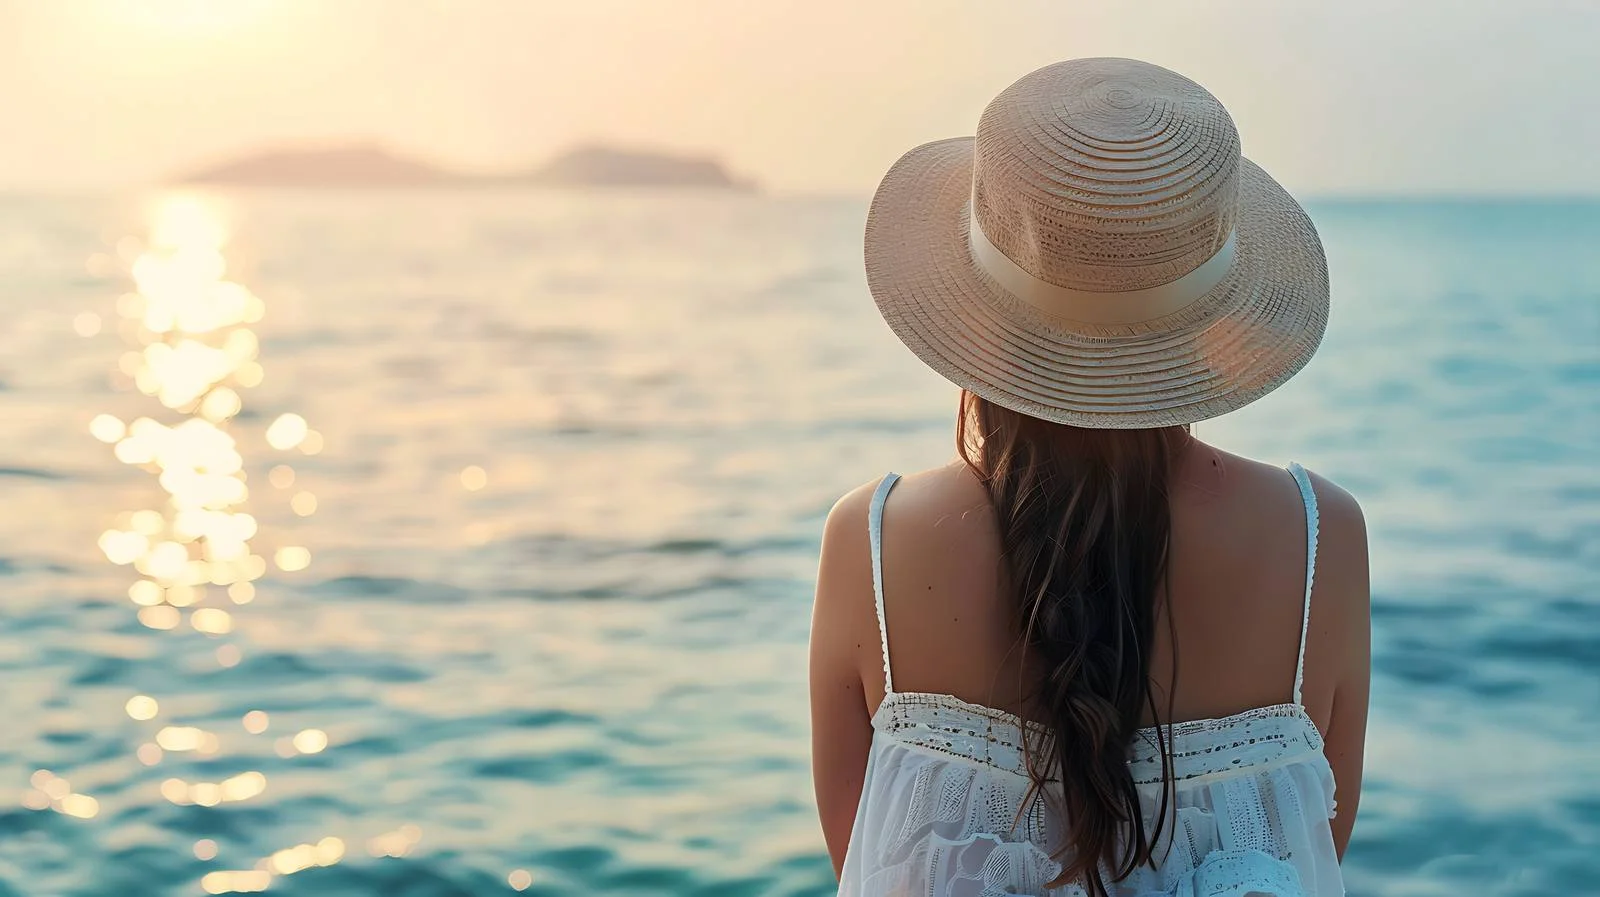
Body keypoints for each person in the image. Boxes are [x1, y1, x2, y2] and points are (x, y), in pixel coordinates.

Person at [810, 58, 1370, 897]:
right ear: (1206, 310)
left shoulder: (876, 543)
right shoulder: (1318, 536)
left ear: (976, 305)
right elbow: (1326, 845)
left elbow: (854, 859)